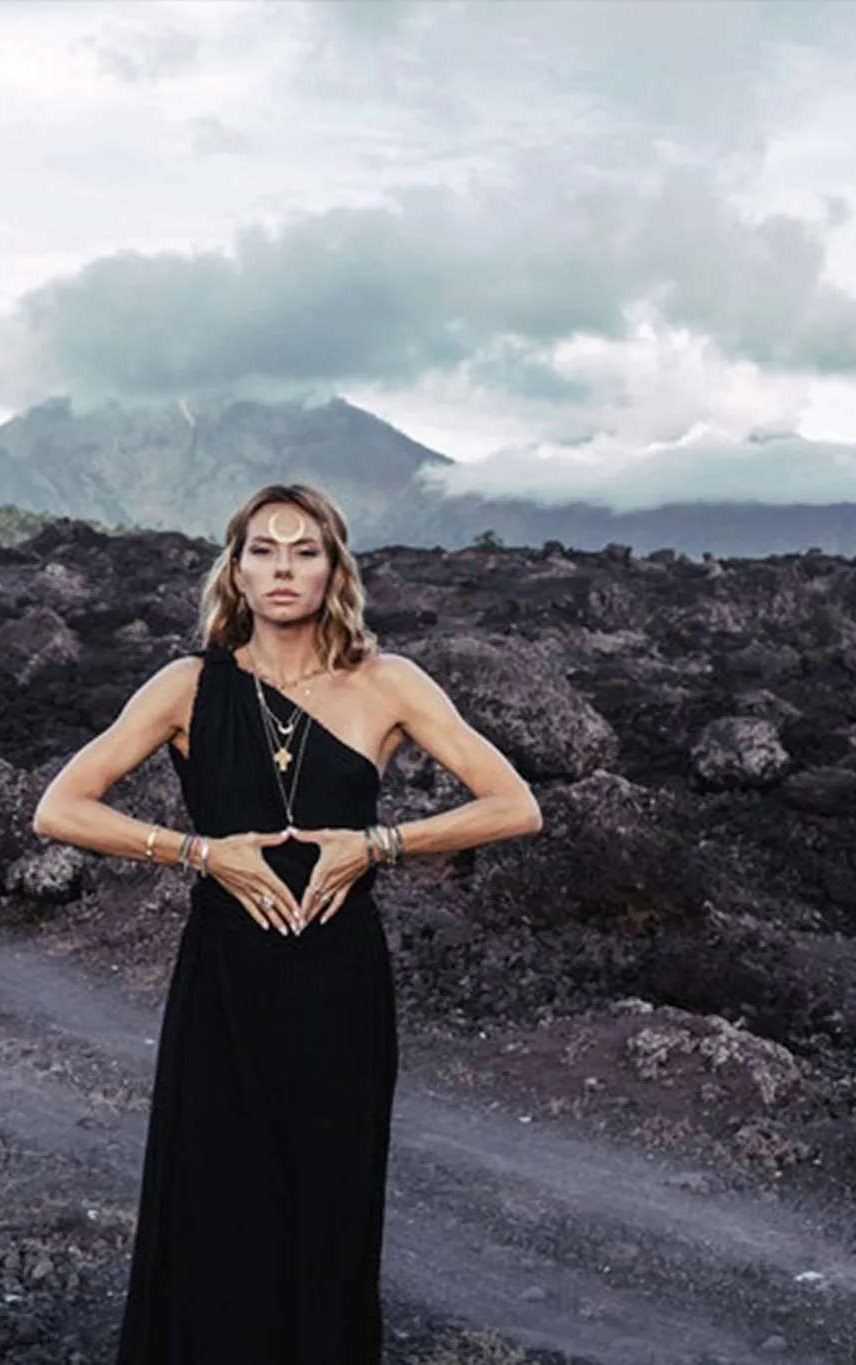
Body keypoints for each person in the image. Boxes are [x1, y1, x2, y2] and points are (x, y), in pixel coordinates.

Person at [31, 483, 543, 1364]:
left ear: (334, 569)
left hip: (339, 982)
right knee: (215, 1201)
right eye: (263, 549)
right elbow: (60, 807)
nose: (283, 568)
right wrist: (199, 853)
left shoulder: (389, 684)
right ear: (235, 569)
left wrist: (379, 844)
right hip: (224, 981)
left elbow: (515, 804)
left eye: (305, 550)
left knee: (328, 1209)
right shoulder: (187, 685)